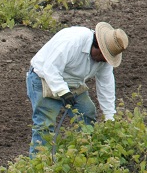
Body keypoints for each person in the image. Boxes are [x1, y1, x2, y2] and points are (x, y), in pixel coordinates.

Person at [26, 21, 128, 155]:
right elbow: (50, 68)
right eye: (103, 57)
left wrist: (110, 117)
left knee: (87, 113)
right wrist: (63, 91)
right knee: (45, 124)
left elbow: (105, 85)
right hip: (43, 78)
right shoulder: (72, 41)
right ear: (97, 46)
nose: (103, 61)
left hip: (73, 83)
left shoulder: (106, 58)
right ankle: (37, 162)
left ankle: (81, 155)